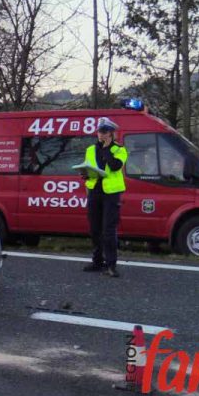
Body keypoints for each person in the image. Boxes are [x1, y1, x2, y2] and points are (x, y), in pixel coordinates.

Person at [80, 117, 128, 278]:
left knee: (108, 230)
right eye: (100, 131)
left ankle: (111, 265)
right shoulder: (90, 150)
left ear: (111, 133)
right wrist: (85, 174)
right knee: (94, 228)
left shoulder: (119, 150)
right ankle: (97, 261)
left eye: (105, 132)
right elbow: (87, 168)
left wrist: (107, 148)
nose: (101, 134)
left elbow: (115, 166)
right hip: (95, 191)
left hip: (111, 194)